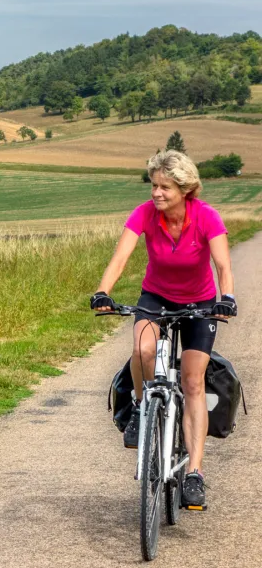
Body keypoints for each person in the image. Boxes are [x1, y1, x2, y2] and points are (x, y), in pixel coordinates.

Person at [89, 150, 237, 509]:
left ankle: (194, 474)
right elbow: (121, 257)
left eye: (164, 187)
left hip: (200, 303)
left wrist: (227, 298)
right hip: (155, 297)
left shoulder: (206, 216)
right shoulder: (144, 213)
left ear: (185, 189)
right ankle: (142, 409)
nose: (156, 193)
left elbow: (222, 265)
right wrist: (103, 291)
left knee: (193, 382)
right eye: (154, 185)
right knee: (142, 350)